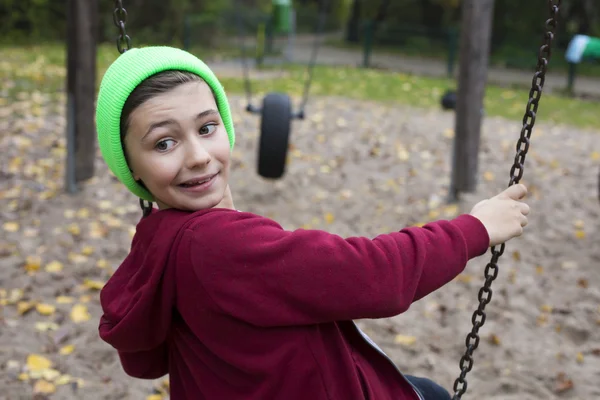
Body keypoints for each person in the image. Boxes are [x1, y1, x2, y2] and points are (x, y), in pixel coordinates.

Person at [95, 47, 530, 400]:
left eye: (207, 128)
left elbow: (144, 361)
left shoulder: (156, 243)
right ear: (131, 166)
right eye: (165, 142)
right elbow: (373, 274)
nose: (197, 156)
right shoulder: (218, 245)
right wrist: (477, 228)